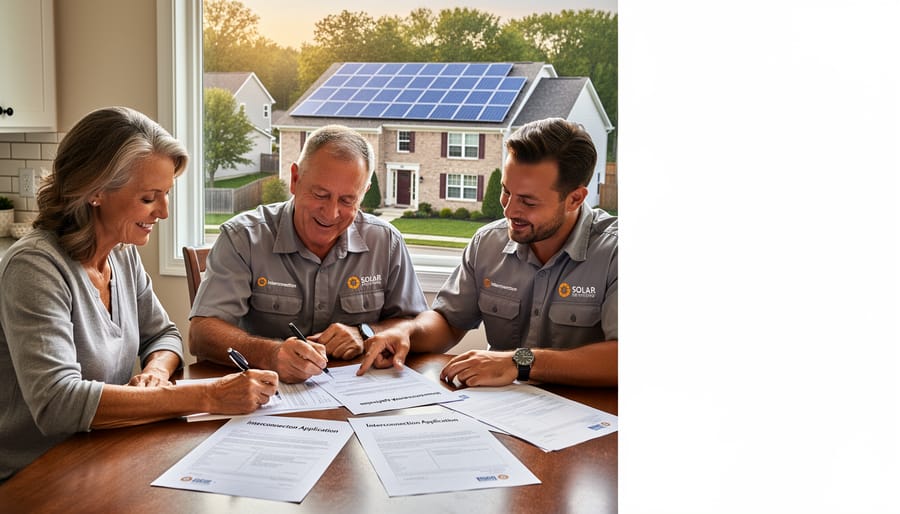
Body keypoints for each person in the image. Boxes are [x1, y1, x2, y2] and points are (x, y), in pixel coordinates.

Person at [0, 107, 278, 483]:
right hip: (32, 476)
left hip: (97, 453)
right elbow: (57, 403)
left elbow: (164, 335)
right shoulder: (34, 267)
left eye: (165, 195)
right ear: (96, 191)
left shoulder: (121, 251)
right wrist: (208, 395)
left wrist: (155, 371)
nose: (163, 211)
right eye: (149, 197)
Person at [359, 118, 617, 388]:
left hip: (586, 418)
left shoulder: (616, 253)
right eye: (506, 191)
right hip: (498, 413)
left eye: (528, 201)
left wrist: (520, 362)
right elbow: (448, 321)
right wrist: (407, 331)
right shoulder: (487, 243)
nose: (509, 210)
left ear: (575, 198)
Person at [188, 124, 427, 383]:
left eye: (348, 200)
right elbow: (201, 334)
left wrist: (366, 332)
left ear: (364, 193)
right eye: (320, 194)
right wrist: (271, 353)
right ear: (294, 179)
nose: (331, 213)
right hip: (264, 399)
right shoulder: (242, 238)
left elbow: (415, 324)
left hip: (359, 399)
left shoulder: (386, 241)